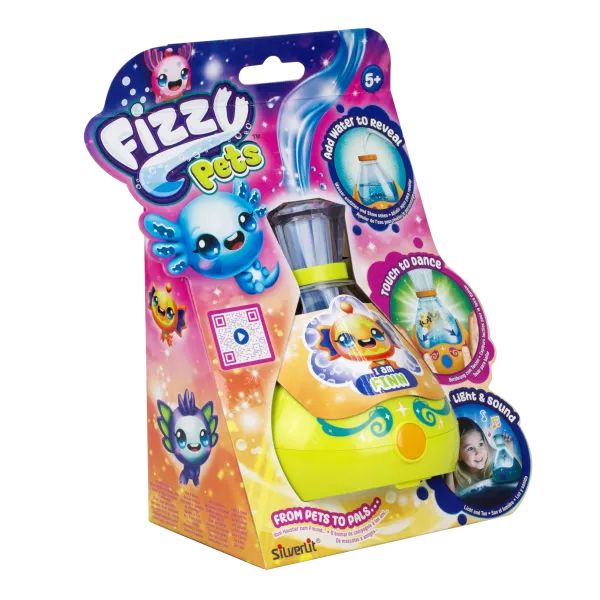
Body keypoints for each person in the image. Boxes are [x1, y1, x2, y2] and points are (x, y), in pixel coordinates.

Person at [446, 417, 516, 493]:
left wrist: (510, 451)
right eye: (470, 448)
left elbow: (516, 476)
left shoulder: (496, 463)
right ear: (458, 455)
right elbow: (449, 497)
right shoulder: (457, 480)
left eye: (480, 444)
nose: (478, 452)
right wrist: (449, 467)